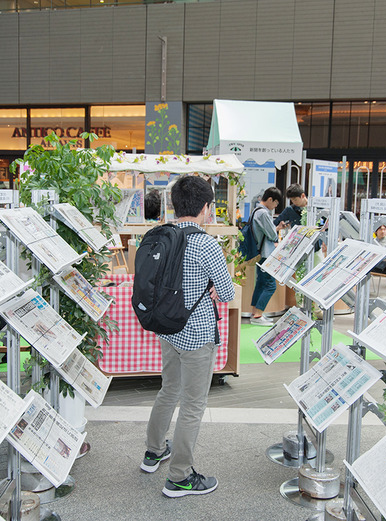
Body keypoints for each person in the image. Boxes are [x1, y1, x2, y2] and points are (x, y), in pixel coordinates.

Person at [141, 175, 235, 498]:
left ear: (174, 205)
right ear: (207, 208)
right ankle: (180, 476)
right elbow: (225, 291)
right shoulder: (206, 243)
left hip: (167, 329)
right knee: (193, 405)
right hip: (196, 335)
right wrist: (209, 286)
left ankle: (153, 451)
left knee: (169, 390)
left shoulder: (160, 235)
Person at [250, 187, 288, 326]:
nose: (275, 206)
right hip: (266, 254)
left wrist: (275, 228)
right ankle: (258, 315)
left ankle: (255, 313)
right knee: (270, 285)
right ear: (270, 199)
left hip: (259, 253)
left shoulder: (255, 210)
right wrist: (275, 230)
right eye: (276, 203)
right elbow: (272, 235)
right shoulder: (264, 213)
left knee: (260, 283)